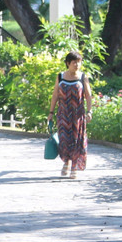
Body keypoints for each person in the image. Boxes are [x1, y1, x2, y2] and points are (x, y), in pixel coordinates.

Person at [47, 51, 92, 179]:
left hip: (78, 115)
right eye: (74, 62)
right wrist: (50, 112)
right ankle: (66, 162)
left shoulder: (83, 77)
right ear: (68, 63)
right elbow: (55, 95)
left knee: (77, 139)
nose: (77, 65)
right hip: (63, 114)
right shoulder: (60, 77)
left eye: (79, 62)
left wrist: (90, 111)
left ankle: (74, 167)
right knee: (64, 139)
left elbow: (88, 96)